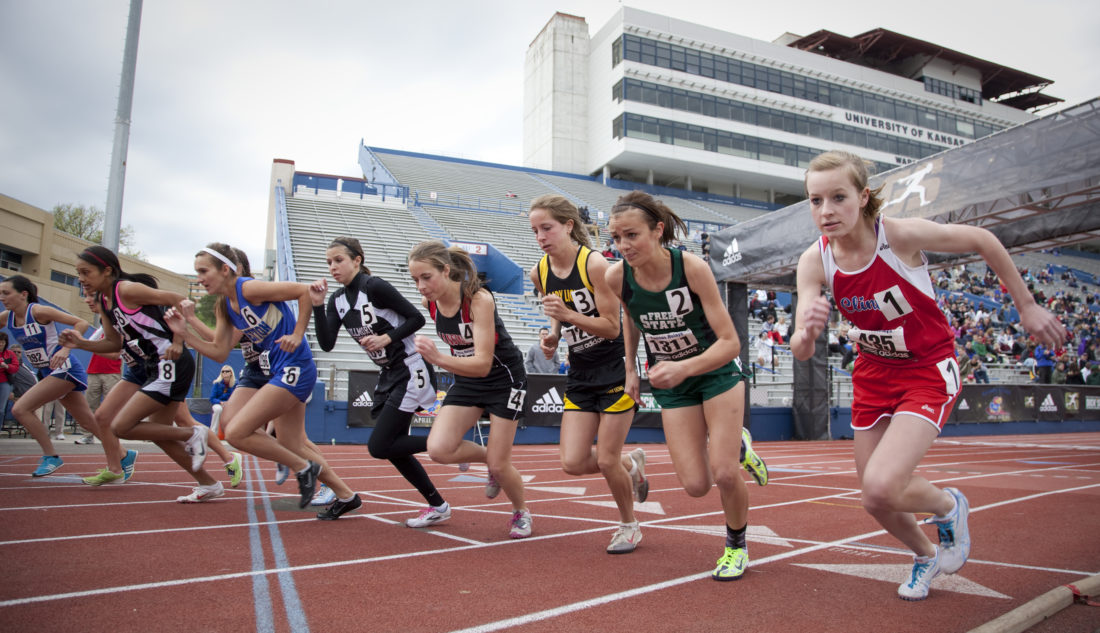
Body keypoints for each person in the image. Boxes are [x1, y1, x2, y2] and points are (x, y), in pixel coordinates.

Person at [790, 150, 1066, 601]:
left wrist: (1026, 306)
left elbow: (983, 239)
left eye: (837, 197)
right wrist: (807, 330)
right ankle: (924, 554)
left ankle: (948, 505)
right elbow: (801, 348)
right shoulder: (814, 261)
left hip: (926, 370)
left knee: (883, 483)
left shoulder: (897, 237)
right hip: (873, 376)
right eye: (815, 200)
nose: (826, 211)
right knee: (874, 497)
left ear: (862, 198)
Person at [606, 190, 768, 580]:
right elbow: (631, 317)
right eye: (615, 238)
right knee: (696, 485)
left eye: (632, 235)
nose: (623, 246)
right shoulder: (617, 276)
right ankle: (736, 442)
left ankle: (736, 546)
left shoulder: (691, 268)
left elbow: (731, 342)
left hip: (716, 372)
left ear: (658, 230)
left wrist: (684, 366)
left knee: (725, 472)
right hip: (672, 385)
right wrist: (630, 368)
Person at [164, 243, 359, 517]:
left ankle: (303, 467)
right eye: (196, 272)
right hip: (275, 370)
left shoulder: (248, 289)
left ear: (225, 269)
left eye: (203, 271)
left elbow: (303, 292)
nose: (199, 278)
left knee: (236, 433)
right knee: (292, 442)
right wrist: (183, 333)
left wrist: (298, 333)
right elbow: (220, 352)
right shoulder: (225, 305)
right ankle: (346, 495)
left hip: (294, 367)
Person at [529, 194, 649, 553]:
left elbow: (613, 327)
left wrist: (568, 317)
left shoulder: (595, 265)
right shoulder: (541, 271)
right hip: (580, 372)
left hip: (614, 368)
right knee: (573, 462)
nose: (540, 237)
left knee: (607, 457)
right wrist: (551, 336)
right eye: (535, 230)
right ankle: (632, 463)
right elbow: (555, 310)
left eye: (546, 228)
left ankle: (629, 525)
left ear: (568, 226)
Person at [310, 236, 453, 527]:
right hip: (390, 374)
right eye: (329, 263)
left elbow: (416, 318)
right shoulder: (337, 301)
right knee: (391, 447)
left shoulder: (374, 287)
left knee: (379, 446)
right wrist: (316, 305)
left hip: (412, 367)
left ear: (357, 260)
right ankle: (437, 504)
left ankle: (447, 444)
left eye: (339, 260)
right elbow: (326, 344)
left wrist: (387, 337)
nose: (333, 267)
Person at [63, 246, 223, 495]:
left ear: (107, 271)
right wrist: (80, 343)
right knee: (160, 433)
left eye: (86, 272)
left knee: (121, 426)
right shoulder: (105, 303)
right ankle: (209, 483)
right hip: (151, 366)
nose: (81, 279)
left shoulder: (125, 290)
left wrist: (179, 341)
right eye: (78, 273)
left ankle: (193, 433)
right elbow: (114, 344)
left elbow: (176, 298)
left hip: (169, 363)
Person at [408, 240, 533, 538]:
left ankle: (521, 512)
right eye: (415, 279)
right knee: (438, 449)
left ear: (446, 270)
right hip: (467, 380)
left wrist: (438, 358)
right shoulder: (431, 304)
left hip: (504, 380)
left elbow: (482, 364)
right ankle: (491, 462)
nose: (421, 286)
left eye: (426, 277)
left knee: (502, 465)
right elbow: (469, 367)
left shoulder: (479, 300)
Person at [1, 274, 118, 478]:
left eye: (6, 293)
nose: (2, 297)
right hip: (48, 371)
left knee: (21, 409)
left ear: (23, 294)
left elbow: (80, 323)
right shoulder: (7, 317)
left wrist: (65, 349)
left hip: (64, 367)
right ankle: (123, 454)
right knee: (87, 422)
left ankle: (51, 456)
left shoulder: (38, 311)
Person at [75, 293, 123, 445]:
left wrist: (95, 349)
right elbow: (87, 344)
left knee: (111, 407)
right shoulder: (99, 332)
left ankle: (111, 435)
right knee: (89, 405)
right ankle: (87, 435)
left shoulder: (118, 332)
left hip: (112, 372)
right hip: (94, 371)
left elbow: (116, 355)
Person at [209, 364, 236, 437]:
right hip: (219, 403)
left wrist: (229, 403)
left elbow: (236, 397)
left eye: (227, 371)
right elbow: (212, 398)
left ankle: (233, 434)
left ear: (231, 373)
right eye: (223, 371)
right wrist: (220, 402)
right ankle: (213, 434)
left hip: (230, 404)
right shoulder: (217, 384)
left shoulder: (235, 384)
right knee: (218, 409)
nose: (224, 373)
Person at [0, 332, 19, 426]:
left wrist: (6, 366)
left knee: (1, 409)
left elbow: (15, 368)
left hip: (4, 382)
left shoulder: (10, 354)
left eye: (2, 342)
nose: (0, 344)